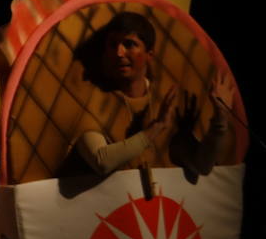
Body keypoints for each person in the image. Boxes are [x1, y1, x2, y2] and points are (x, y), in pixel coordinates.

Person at [73, 11, 234, 178]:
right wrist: (156, 127)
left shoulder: (166, 100)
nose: (119, 53)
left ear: (149, 55)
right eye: (113, 45)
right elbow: (101, 162)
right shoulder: (93, 102)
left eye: (129, 44)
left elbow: (201, 166)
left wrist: (220, 120)